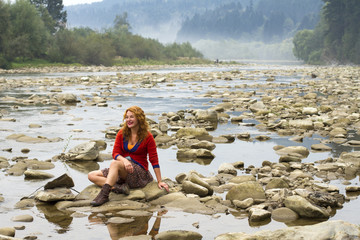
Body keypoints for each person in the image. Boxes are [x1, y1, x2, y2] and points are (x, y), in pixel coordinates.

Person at [88, 106, 169, 206]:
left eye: (132, 117)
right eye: (127, 117)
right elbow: (115, 154)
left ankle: (104, 195)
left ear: (139, 118)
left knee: (115, 163)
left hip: (139, 172)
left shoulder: (148, 137)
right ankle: (118, 188)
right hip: (122, 167)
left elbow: (154, 160)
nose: (128, 120)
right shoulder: (122, 133)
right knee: (91, 175)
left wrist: (159, 181)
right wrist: (125, 161)